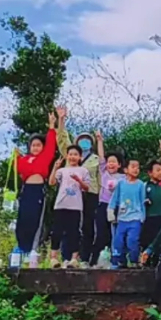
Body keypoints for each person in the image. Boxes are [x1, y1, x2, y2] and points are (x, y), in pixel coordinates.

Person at [14, 109, 58, 261]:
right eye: (33, 145)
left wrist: (51, 126)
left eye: (39, 145)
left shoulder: (45, 157)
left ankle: (32, 249)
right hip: (26, 191)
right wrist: (16, 157)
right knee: (22, 219)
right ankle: (21, 248)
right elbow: (18, 171)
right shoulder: (24, 159)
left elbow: (51, 145)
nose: (36, 148)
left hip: (38, 191)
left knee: (35, 220)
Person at [57, 111, 100, 267]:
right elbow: (62, 138)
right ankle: (66, 257)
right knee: (69, 226)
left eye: (87, 140)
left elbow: (99, 177)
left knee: (87, 226)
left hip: (90, 194)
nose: (84, 142)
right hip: (71, 193)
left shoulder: (96, 159)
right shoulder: (71, 154)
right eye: (81, 140)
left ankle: (84, 258)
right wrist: (61, 119)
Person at [49, 146, 91, 268]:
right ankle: (53, 258)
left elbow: (87, 188)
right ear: (67, 156)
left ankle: (74, 259)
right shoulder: (62, 170)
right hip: (60, 205)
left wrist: (78, 180)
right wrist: (55, 167)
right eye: (70, 154)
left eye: (75, 154)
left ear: (80, 157)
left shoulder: (83, 170)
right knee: (56, 231)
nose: (72, 157)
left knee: (74, 232)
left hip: (75, 206)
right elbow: (51, 182)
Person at [108, 158, 147, 268]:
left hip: (136, 217)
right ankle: (119, 261)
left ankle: (134, 260)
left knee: (132, 240)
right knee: (118, 241)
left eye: (138, 167)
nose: (136, 169)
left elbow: (142, 201)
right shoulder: (121, 184)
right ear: (125, 170)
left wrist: (143, 217)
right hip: (122, 218)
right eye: (133, 167)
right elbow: (114, 198)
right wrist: (110, 210)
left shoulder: (140, 184)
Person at [92, 130, 124, 266]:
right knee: (100, 233)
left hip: (116, 207)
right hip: (103, 205)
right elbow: (101, 157)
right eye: (109, 162)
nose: (111, 164)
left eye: (114, 162)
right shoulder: (104, 173)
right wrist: (100, 140)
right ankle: (94, 261)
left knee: (114, 234)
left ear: (119, 165)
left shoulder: (123, 178)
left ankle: (114, 260)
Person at [141, 145, 161, 252]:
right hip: (151, 218)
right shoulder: (145, 186)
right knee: (150, 241)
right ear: (150, 173)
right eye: (158, 170)